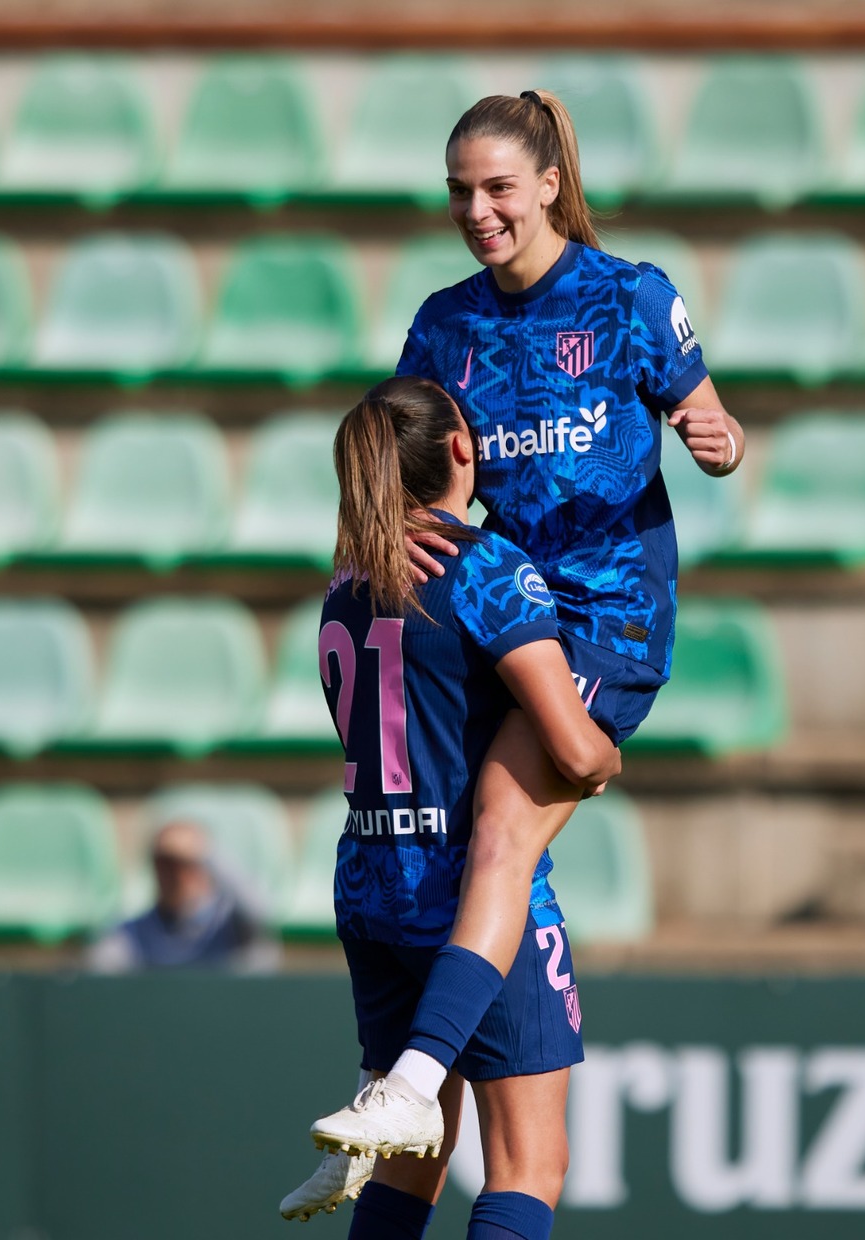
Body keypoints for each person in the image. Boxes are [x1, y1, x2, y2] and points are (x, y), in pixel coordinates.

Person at [289, 87, 745, 1224]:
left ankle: (402, 1085)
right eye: (459, 192)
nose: (477, 211)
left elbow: (717, 428)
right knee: (458, 857)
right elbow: (399, 450)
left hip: (594, 624)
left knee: (496, 827)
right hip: (483, 619)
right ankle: (402, 1102)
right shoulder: (444, 323)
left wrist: (716, 439)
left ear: (548, 184)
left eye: (497, 188)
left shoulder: (630, 298)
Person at [283, 375, 619, 1239]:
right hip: (470, 896)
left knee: (412, 1153)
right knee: (529, 1164)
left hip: (369, 883)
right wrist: (608, 746)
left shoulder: (348, 580)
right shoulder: (485, 569)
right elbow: (576, 751)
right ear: (463, 449)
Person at [88, 818, 280, 972]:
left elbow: (263, 913)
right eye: (164, 865)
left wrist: (205, 851)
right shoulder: (135, 933)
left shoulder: (231, 924)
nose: (175, 875)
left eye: (185, 864)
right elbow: (102, 969)